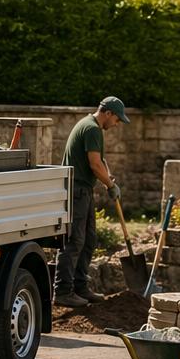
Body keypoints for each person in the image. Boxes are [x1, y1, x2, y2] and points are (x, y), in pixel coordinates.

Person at [55, 97, 129, 308]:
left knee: (89, 239)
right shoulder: (92, 129)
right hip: (77, 190)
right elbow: (94, 164)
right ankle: (62, 291)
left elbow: (100, 161)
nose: (116, 125)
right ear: (107, 113)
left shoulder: (91, 126)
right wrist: (109, 185)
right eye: (116, 120)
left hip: (83, 190)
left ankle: (80, 287)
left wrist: (109, 178)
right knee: (75, 241)